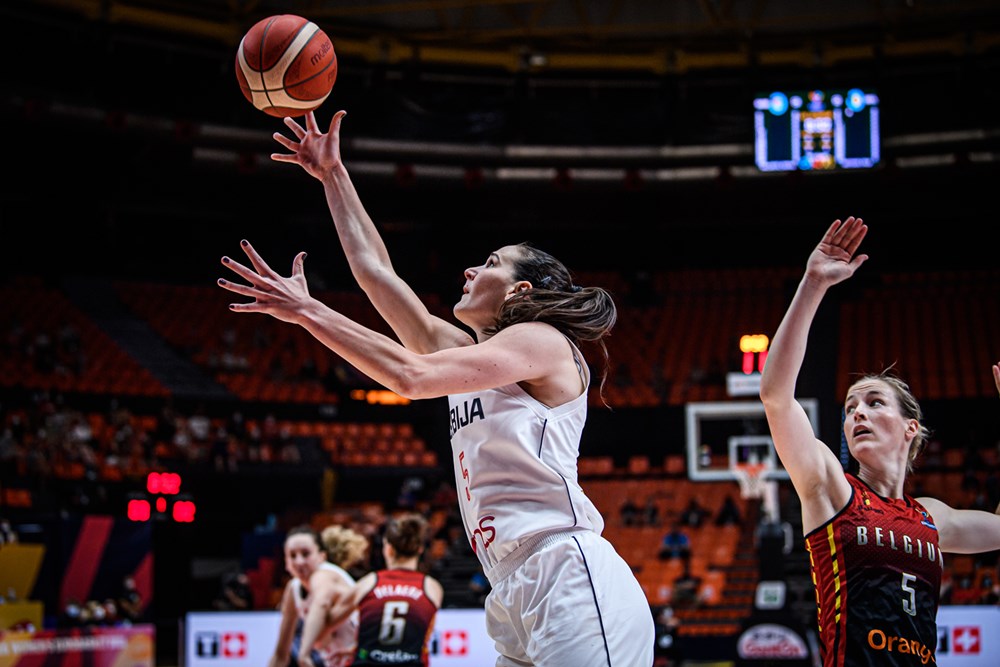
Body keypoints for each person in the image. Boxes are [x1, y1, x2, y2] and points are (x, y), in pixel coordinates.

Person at [219, 109, 655, 666]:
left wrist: (308, 311)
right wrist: (332, 175)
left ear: (519, 291)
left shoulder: (542, 341)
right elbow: (376, 273)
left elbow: (410, 376)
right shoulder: (472, 356)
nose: (470, 270)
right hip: (511, 582)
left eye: (490, 263)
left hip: (565, 570)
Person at [758, 216, 1000, 667]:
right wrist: (813, 284)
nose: (857, 413)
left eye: (873, 402)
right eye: (850, 407)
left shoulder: (932, 517)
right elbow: (775, 396)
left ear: (911, 428)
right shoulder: (833, 488)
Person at [312, 512, 444, 666]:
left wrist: (357, 650)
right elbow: (415, 636)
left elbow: (322, 629)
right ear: (420, 549)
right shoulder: (432, 588)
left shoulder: (368, 583)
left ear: (388, 549)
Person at [269, 524, 368, 667]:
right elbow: (280, 654)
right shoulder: (294, 588)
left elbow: (321, 604)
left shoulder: (324, 574)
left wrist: (304, 653)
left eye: (305, 554)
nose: (299, 561)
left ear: (322, 556)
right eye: (292, 556)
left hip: (365, 655)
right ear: (286, 563)